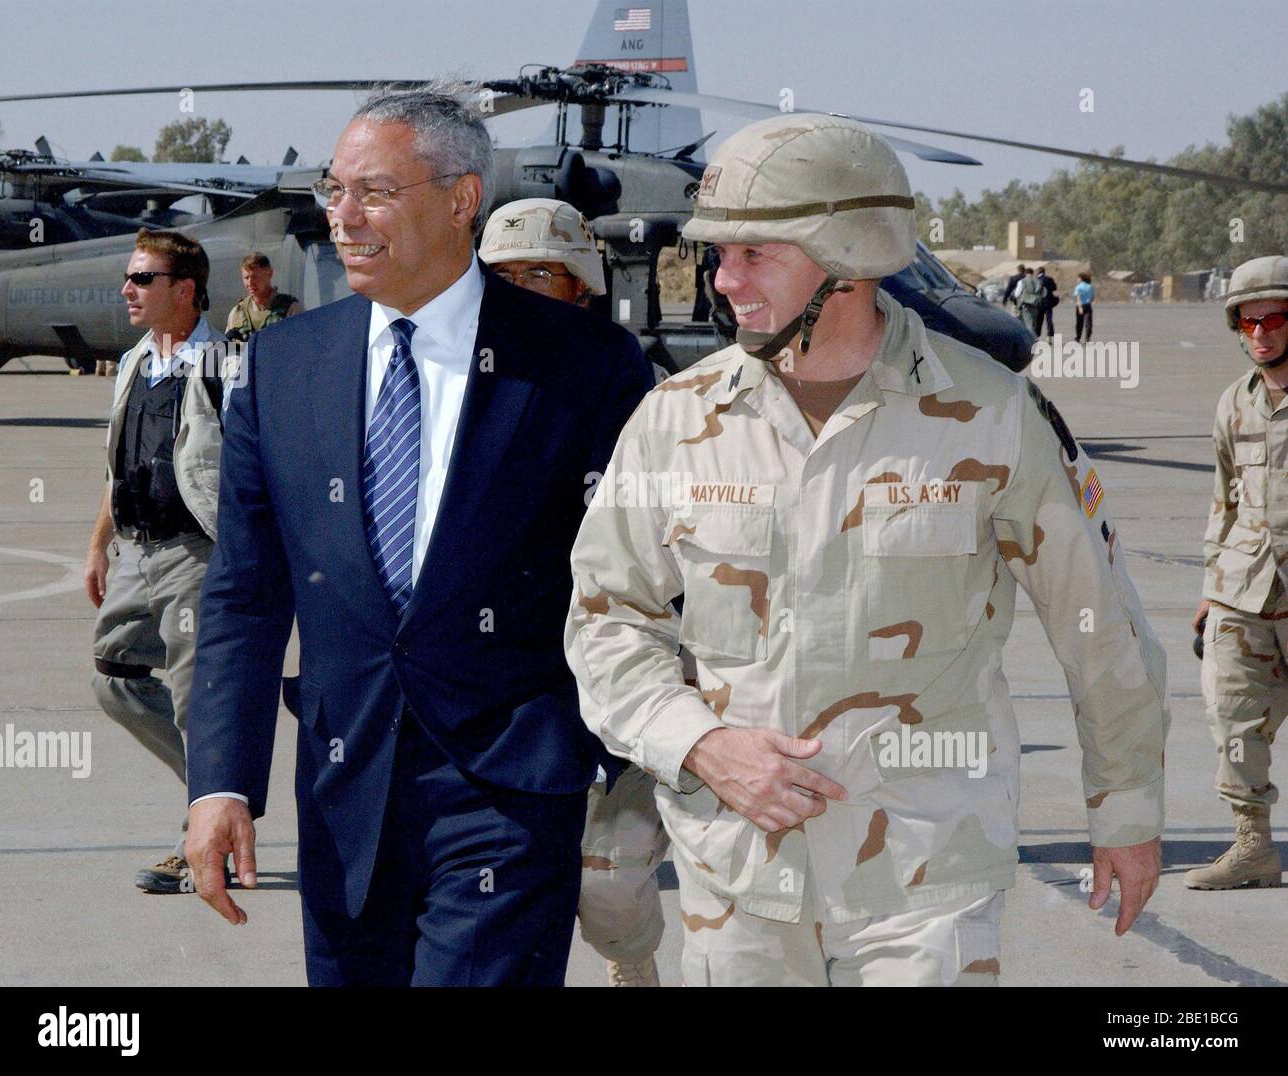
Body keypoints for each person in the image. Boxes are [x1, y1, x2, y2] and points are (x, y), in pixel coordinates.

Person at [565, 113, 1169, 987]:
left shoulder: (994, 414)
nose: (722, 280)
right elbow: (605, 620)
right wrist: (698, 744)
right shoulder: (674, 421)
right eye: (718, 254)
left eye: (753, 253)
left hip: (926, 880)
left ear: (844, 254)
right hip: (737, 880)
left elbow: (1098, 622)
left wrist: (1126, 811)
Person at [184, 84, 653, 987]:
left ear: (460, 199)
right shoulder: (283, 367)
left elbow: (638, 576)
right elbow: (244, 594)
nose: (342, 217)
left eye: (374, 192)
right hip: (342, 786)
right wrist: (220, 784)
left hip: (510, 788)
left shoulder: (582, 364)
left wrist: (610, 751)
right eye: (334, 190)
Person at [481, 196, 669, 986]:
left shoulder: (634, 387)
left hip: (616, 673)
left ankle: (634, 967)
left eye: (539, 275)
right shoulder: (453, 384)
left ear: (581, 286)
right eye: (501, 276)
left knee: (609, 885)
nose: (518, 291)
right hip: (502, 688)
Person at [83, 227, 232, 893]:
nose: (127, 290)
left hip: (196, 554)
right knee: (113, 674)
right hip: (138, 551)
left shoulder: (227, 366)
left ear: (185, 290)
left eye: (142, 279)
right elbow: (120, 465)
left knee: (194, 703)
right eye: (129, 278)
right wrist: (98, 543)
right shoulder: (135, 362)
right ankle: (217, 795)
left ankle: (203, 838)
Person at [1187, 254, 1288, 891]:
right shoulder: (1234, 404)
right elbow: (1224, 499)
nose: (1260, 334)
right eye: (1246, 324)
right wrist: (1207, 586)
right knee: (1230, 714)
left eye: (1274, 319)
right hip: (1244, 588)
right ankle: (1252, 846)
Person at [224, 252, 302, 342]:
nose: (250, 283)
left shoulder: (291, 308)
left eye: (255, 277)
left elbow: (302, 345)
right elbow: (228, 349)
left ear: (270, 274)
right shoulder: (237, 313)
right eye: (246, 278)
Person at [1016, 266, 1042, 334]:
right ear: (1032, 273)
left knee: (1028, 323)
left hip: (1026, 304)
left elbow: (1017, 294)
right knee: (1034, 322)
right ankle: (1034, 337)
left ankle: (1031, 339)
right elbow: (1043, 292)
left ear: (1025, 273)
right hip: (1036, 303)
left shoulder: (1022, 281)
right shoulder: (1038, 281)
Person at [1035, 266, 1057, 339]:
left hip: (1039, 303)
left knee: (1038, 320)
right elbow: (1054, 288)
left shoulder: (1036, 280)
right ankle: (1049, 337)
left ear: (1038, 272)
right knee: (1049, 319)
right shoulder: (1049, 279)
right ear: (1044, 272)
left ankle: (1037, 336)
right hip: (1048, 302)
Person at [1074, 271, 1094, 343]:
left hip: (1080, 306)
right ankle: (1087, 338)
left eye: (1078, 278)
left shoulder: (1078, 287)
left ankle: (1078, 338)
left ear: (1081, 279)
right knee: (1088, 323)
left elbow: (1078, 298)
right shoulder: (1090, 286)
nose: (1077, 280)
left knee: (1079, 323)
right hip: (1088, 306)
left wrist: (1080, 307)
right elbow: (1092, 299)